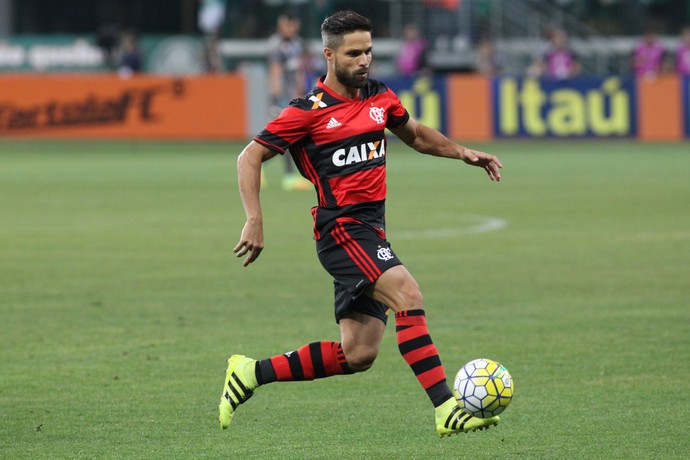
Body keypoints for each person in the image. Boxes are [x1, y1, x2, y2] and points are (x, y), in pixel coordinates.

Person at [219, 10, 503, 437]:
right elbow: (249, 156)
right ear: (329, 55)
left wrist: (463, 152)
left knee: (359, 353)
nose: (365, 60)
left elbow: (417, 136)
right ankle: (446, 407)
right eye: (355, 53)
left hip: (372, 230)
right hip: (342, 230)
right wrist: (254, 219)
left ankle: (249, 373)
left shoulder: (379, 96)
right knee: (408, 293)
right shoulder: (307, 111)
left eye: (369, 50)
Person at [267, 12, 313, 191]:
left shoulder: (297, 44)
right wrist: (275, 98)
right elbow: (275, 71)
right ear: (281, 25)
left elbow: (299, 70)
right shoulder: (276, 44)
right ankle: (288, 177)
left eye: (294, 25)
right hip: (282, 97)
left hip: (293, 96)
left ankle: (260, 168)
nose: (291, 29)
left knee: (284, 135)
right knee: (286, 135)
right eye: (288, 25)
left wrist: (301, 93)